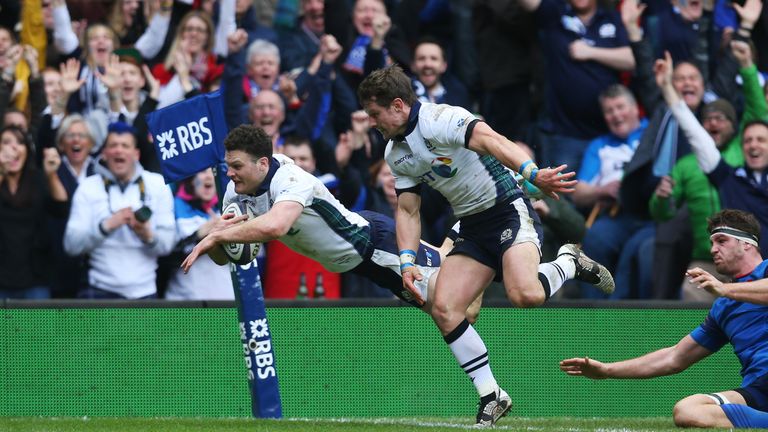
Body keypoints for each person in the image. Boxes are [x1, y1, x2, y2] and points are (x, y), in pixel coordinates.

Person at [356, 65, 614, 427]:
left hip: (508, 210)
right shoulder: (395, 153)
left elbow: (492, 139)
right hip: (472, 227)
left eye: (374, 113)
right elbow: (409, 210)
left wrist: (532, 172)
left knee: (525, 295)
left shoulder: (441, 118)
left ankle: (569, 262)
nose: (371, 121)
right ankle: (492, 395)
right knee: (445, 309)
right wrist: (407, 261)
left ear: (398, 106)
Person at [181, 125, 481, 318]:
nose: (229, 174)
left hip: (372, 243)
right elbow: (231, 257)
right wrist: (220, 237)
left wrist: (219, 237)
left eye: (236, 166)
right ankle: (462, 239)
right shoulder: (236, 192)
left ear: (261, 164)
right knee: (448, 287)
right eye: (227, 166)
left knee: (460, 312)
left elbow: (276, 226)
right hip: (358, 260)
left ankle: (476, 242)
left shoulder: (291, 179)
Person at [561, 209, 768, 429]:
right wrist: (606, 370)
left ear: (747, 244)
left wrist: (724, 288)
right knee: (688, 411)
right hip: (758, 389)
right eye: (712, 242)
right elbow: (674, 358)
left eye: (721, 241)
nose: (713, 249)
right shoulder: (723, 308)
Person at [64, 122, 175, 299]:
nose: (118, 151)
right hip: (98, 289)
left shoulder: (157, 185)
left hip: (144, 291)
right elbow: (71, 245)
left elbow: (168, 244)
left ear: (136, 154)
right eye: (113, 145)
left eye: (125, 146)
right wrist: (106, 226)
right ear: (104, 153)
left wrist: (148, 235)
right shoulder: (87, 187)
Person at [573, 84, 653, 299]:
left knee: (637, 250)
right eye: (609, 110)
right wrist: (602, 190)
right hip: (616, 216)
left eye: (620, 107)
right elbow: (578, 191)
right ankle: (594, 315)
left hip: (652, 216)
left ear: (636, 108)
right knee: (595, 239)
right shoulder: (599, 145)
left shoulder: (652, 134)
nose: (616, 115)